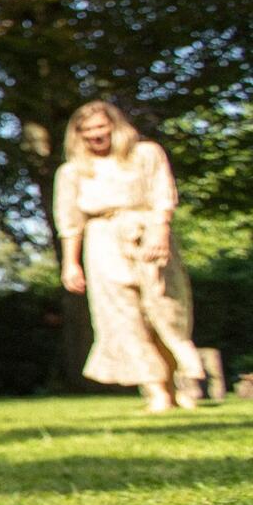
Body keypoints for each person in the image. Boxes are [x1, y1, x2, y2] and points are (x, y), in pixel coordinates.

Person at [54, 100, 206, 413]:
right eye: (88, 130)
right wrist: (71, 263)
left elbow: (163, 195)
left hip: (146, 231)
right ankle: (156, 393)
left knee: (164, 310)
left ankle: (180, 384)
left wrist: (160, 231)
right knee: (123, 317)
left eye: (100, 127)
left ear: (114, 126)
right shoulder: (71, 172)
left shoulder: (146, 154)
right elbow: (69, 221)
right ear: (78, 135)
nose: (96, 135)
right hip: (101, 240)